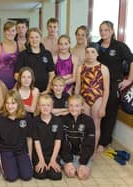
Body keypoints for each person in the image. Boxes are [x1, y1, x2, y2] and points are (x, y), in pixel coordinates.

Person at [97, 20, 133, 152]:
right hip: (98, 84)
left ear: (112, 31)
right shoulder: (97, 46)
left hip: (113, 84)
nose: (103, 32)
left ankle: (104, 142)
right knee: (99, 111)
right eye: (101, 30)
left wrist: (129, 79)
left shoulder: (120, 46)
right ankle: (96, 138)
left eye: (106, 30)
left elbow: (131, 61)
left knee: (110, 113)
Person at [75, 43, 110, 154]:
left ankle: (93, 149)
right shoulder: (81, 68)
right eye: (87, 52)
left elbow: (106, 90)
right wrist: (77, 104)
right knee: (84, 125)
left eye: (93, 52)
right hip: (84, 99)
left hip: (97, 99)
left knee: (95, 126)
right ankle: (84, 147)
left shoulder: (103, 68)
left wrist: (103, 107)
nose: (90, 54)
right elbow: (77, 87)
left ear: (97, 54)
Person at [0, 90, 33, 182]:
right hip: (6, 150)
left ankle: (18, 163)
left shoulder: (26, 117)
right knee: (11, 177)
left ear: (19, 103)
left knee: (27, 176)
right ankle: (7, 162)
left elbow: (29, 138)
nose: (10, 106)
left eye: (13, 103)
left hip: (21, 150)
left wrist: (29, 156)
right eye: (7, 103)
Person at [61, 95, 95, 180]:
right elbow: (63, 142)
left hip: (82, 155)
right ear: (68, 106)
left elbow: (89, 143)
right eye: (71, 105)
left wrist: (83, 163)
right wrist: (68, 161)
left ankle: (79, 165)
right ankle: (69, 164)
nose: (73, 108)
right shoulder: (63, 120)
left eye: (77, 106)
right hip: (68, 154)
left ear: (82, 107)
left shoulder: (89, 120)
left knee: (82, 176)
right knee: (71, 174)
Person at [15, 27, 55, 94]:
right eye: (31, 37)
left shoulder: (47, 54)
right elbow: (16, 75)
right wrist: (28, 88)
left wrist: (48, 89)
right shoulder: (22, 55)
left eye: (37, 37)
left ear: (40, 38)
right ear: (28, 39)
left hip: (45, 91)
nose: (34, 40)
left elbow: (52, 74)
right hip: (28, 92)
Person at [32, 94, 62, 180]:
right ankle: (43, 165)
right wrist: (41, 160)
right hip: (39, 154)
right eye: (43, 105)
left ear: (52, 106)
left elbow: (58, 142)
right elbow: (36, 142)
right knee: (41, 175)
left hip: (52, 154)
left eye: (48, 105)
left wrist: (53, 160)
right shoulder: (35, 121)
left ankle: (50, 165)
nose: (46, 108)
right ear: (38, 106)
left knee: (56, 176)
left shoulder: (58, 121)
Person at [0, 21, 19, 89]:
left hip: (17, 80)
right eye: (8, 31)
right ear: (4, 32)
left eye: (13, 31)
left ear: (16, 32)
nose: (10, 33)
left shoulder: (21, 46)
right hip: (1, 80)